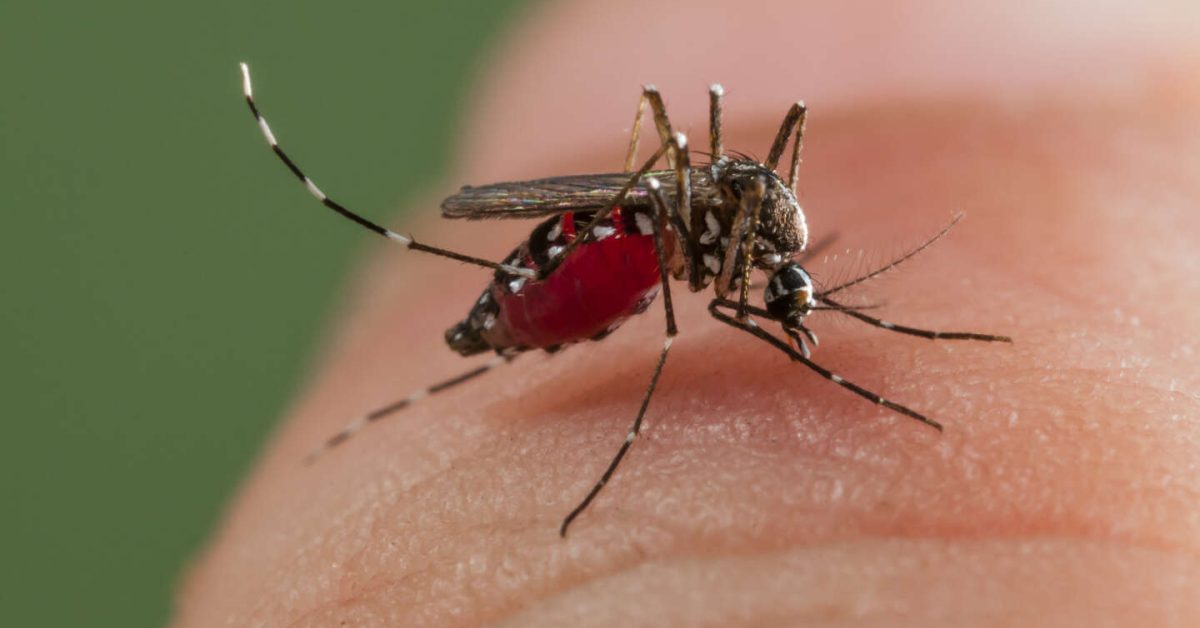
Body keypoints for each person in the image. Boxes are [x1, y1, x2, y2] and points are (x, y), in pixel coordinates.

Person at [177, 0, 1200, 624]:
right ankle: (587, 318)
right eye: (796, 303)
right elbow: (715, 209)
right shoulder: (742, 237)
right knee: (677, 168)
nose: (794, 313)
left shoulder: (768, 240)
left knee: (694, 169)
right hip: (627, 237)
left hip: (649, 234)